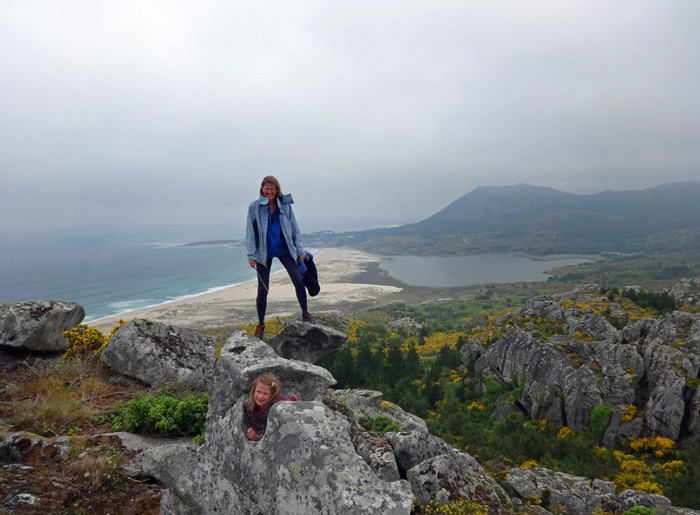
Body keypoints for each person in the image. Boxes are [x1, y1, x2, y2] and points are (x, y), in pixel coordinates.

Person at [246, 175, 314, 338]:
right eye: (267, 188)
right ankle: (261, 324)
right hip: (263, 253)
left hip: (285, 249)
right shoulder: (254, 207)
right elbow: (249, 232)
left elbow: (294, 227)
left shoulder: (284, 205)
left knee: (298, 280)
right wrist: (251, 255)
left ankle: (305, 312)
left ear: (277, 190)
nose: (269, 191)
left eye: (272, 189)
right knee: (263, 290)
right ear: (262, 189)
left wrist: (300, 250)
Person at [243, 372, 299, 441]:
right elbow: (259, 425)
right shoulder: (250, 405)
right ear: (254, 391)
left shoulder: (277, 408)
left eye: (265, 393)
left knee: (288, 405)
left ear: (272, 395)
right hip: (264, 419)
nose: (260, 396)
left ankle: (293, 398)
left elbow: (273, 429)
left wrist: (257, 437)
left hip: (280, 403)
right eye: (258, 391)